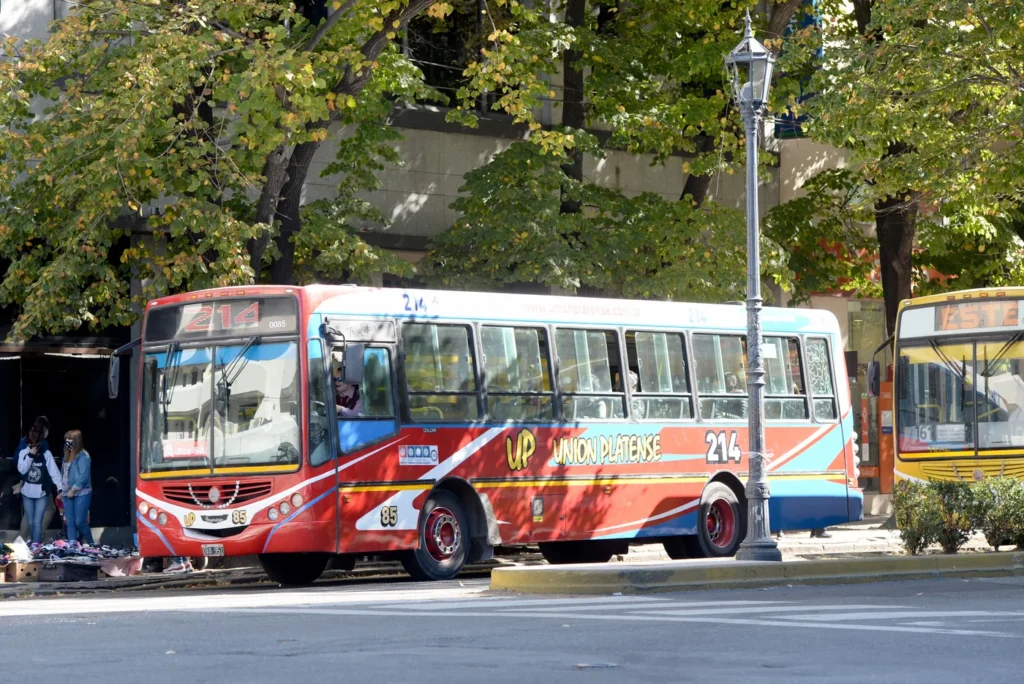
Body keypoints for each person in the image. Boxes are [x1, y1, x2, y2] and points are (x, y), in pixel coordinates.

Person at [17, 419, 64, 544]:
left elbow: (52, 470)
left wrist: (59, 488)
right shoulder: (30, 447)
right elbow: (21, 467)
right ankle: (28, 540)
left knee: (33, 518)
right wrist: (30, 457)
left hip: (39, 488)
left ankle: (30, 541)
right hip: (31, 486)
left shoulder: (44, 451)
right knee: (33, 517)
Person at [61, 430, 94, 545]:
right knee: (70, 522)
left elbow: (83, 476)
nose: (67, 443)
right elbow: (64, 474)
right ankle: (73, 546)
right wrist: (62, 490)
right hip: (66, 493)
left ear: (76, 441)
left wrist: (73, 489)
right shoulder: (66, 456)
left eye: (69, 440)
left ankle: (91, 543)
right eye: (66, 440)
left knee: (80, 521)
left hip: (81, 493)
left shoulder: (83, 456)